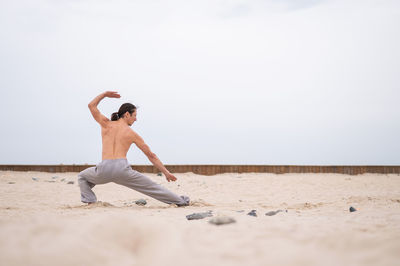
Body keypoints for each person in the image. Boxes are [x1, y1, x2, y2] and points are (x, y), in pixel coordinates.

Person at [77, 91, 190, 206]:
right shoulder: (132, 134)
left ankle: (90, 202)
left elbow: (91, 105)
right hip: (122, 169)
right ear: (127, 114)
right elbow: (151, 155)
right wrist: (166, 172)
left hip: (104, 169)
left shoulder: (106, 124)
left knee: (82, 176)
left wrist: (105, 94)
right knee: (152, 187)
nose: (136, 119)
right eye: (135, 115)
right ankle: (181, 201)